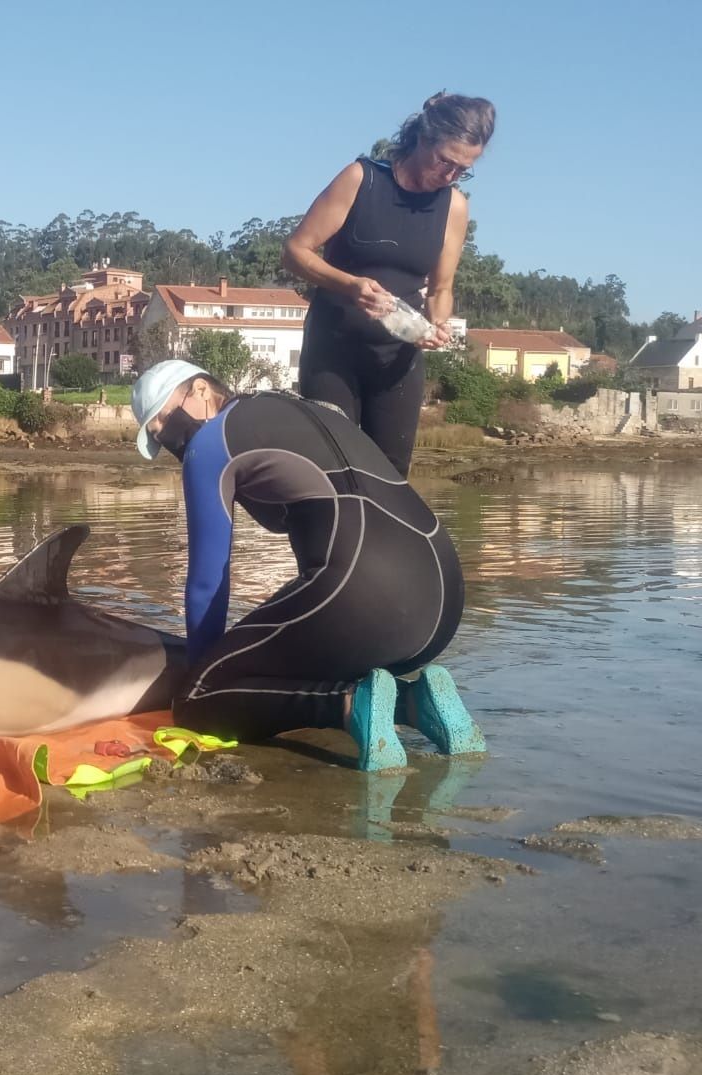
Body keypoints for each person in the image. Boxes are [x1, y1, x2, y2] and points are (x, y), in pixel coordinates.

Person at [131, 359, 485, 771]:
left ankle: (349, 707)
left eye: (164, 419)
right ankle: (415, 702)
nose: (166, 437)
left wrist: (202, 673)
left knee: (197, 702)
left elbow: (207, 583)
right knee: (284, 654)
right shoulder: (308, 410)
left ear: (200, 391)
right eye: (156, 436)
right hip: (442, 595)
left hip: (368, 593)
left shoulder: (210, 443)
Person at [282, 92, 495, 475]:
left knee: (390, 478)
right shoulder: (361, 179)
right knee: (330, 471)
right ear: (422, 139)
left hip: (397, 359)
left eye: (463, 169)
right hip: (333, 351)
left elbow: (441, 290)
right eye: (445, 161)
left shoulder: (455, 207)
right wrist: (351, 286)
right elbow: (296, 252)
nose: (450, 175)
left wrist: (438, 324)